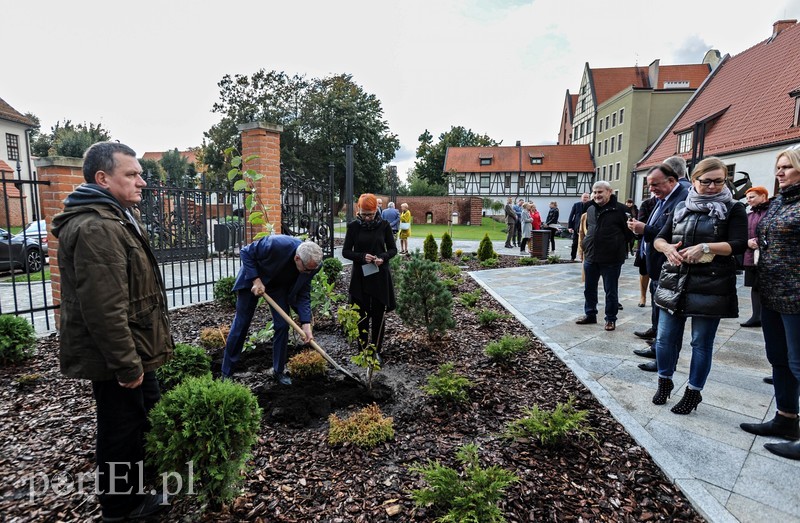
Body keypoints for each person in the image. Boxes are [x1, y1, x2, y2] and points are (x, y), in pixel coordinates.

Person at [51, 141, 173, 521]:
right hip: (120, 356)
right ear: (103, 179)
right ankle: (122, 507)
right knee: (121, 429)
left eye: (141, 174)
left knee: (143, 416)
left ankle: (142, 483)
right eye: (132, 175)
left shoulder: (115, 216)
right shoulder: (96, 228)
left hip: (136, 347)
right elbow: (105, 308)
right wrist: (127, 365)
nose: (142, 182)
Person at [650, 157, 747, 415]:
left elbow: (738, 244)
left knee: (701, 343)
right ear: (694, 180)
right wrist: (667, 248)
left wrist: (707, 247)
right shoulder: (683, 205)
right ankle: (664, 381)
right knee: (664, 339)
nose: (713, 187)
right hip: (675, 281)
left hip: (711, 283)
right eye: (706, 181)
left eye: (719, 181)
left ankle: (694, 392)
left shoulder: (734, 208)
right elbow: (660, 238)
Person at [739, 146, 800, 460]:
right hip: (771, 292)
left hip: (796, 296)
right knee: (778, 358)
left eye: (787, 167)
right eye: (778, 167)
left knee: (799, 363)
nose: (780, 172)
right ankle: (786, 419)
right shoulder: (778, 203)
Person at [222, 236, 323, 385]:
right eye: (307, 270)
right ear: (297, 258)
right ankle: (227, 372)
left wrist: (306, 323)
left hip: (278, 287)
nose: (308, 273)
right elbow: (246, 252)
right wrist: (256, 280)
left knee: (282, 325)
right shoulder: (276, 244)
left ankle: (278, 371)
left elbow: (303, 292)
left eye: (311, 270)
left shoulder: (313, 265)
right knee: (241, 324)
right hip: (253, 279)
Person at [627, 163, 689, 371]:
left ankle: (663, 360)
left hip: (669, 267)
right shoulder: (664, 199)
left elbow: (670, 234)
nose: (651, 189)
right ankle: (656, 348)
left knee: (668, 319)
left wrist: (644, 229)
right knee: (658, 312)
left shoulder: (682, 198)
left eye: (655, 185)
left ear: (672, 180)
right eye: (649, 186)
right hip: (657, 265)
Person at [342, 194, 397, 364]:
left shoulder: (384, 226)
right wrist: (361, 256)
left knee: (378, 315)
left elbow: (393, 249)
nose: (367, 218)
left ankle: (377, 350)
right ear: (359, 210)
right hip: (361, 276)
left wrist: (383, 257)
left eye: (370, 214)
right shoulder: (353, 227)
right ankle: (363, 349)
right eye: (364, 214)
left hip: (379, 275)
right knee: (361, 315)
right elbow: (346, 252)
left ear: (376, 211)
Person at [575, 181, 632, 331]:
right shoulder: (591, 209)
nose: (596, 195)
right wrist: (586, 245)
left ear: (609, 192)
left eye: (600, 192)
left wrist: (615, 245)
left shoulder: (621, 210)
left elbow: (629, 234)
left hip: (611, 259)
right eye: (594, 192)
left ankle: (610, 319)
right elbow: (589, 229)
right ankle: (590, 314)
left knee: (610, 291)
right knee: (589, 289)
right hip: (591, 256)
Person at [740, 186, 770, 328]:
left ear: (763, 196)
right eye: (747, 198)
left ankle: (766, 317)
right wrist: (746, 242)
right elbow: (741, 235)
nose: (749, 200)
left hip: (767, 256)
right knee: (755, 286)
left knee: (766, 286)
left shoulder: (770, 213)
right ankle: (756, 316)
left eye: (752, 197)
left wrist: (758, 242)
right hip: (751, 256)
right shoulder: (749, 216)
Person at [634, 195, 656, 307]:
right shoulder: (647, 204)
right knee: (644, 270)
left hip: (661, 241)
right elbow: (641, 223)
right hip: (646, 241)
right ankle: (643, 296)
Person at [568, 193, 590, 261]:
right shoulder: (576, 205)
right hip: (577, 227)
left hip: (587, 227)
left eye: (587, 197)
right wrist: (570, 227)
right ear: (581, 198)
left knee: (586, 243)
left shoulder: (591, 206)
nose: (585, 198)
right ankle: (573, 257)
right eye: (584, 197)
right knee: (575, 243)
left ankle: (584, 257)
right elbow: (571, 216)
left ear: (589, 198)